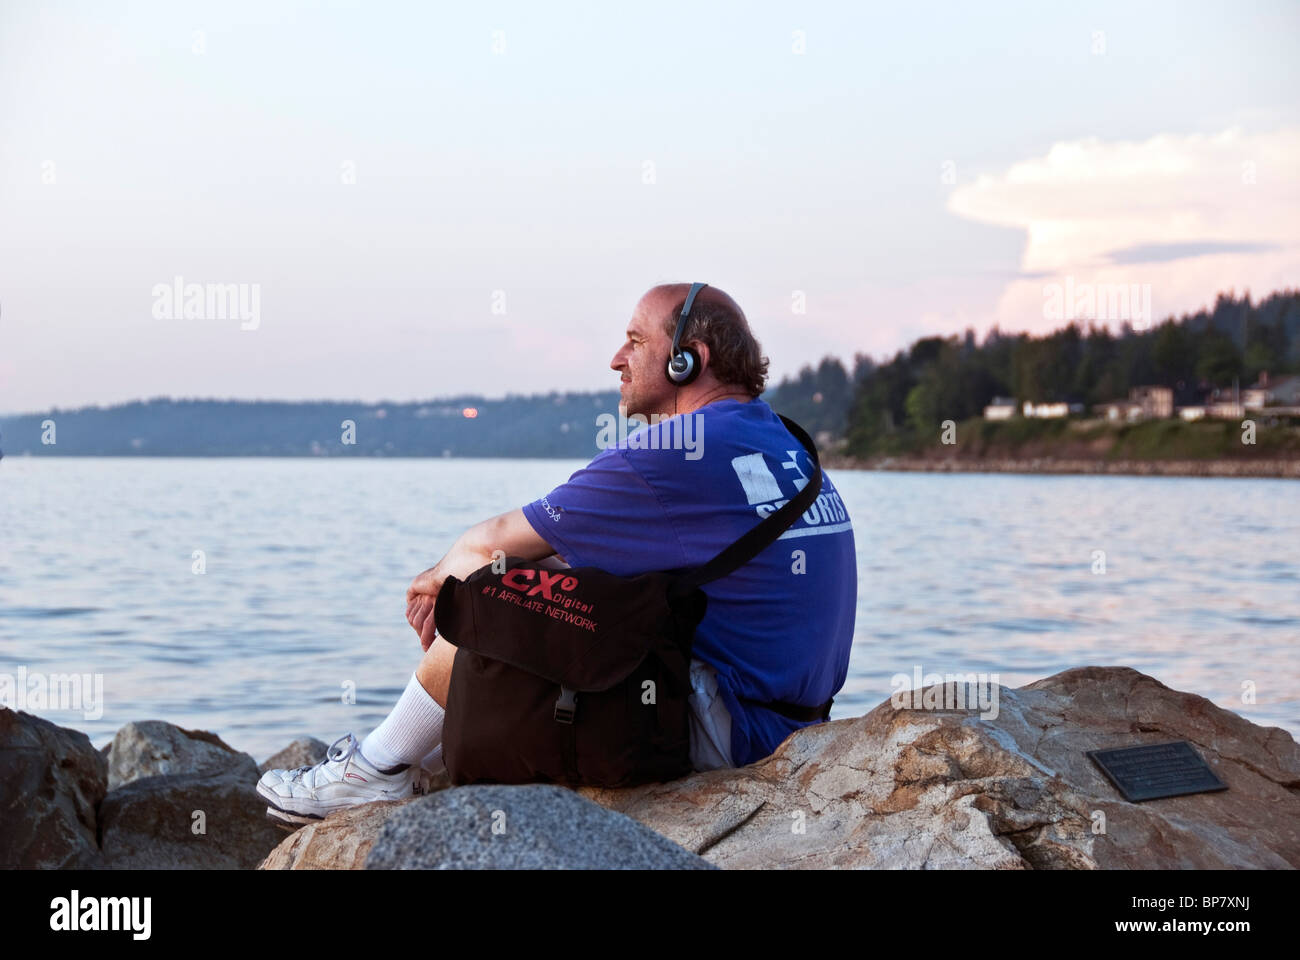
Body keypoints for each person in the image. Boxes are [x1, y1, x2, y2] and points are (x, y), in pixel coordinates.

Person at [256, 283, 857, 825]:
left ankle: (376, 769)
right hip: (795, 723)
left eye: (634, 341)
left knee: (494, 595)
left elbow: (487, 546)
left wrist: (437, 586)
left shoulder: (678, 450)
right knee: (552, 579)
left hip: (733, 733)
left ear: (687, 358)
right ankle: (414, 762)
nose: (616, 360)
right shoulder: (781, 438)